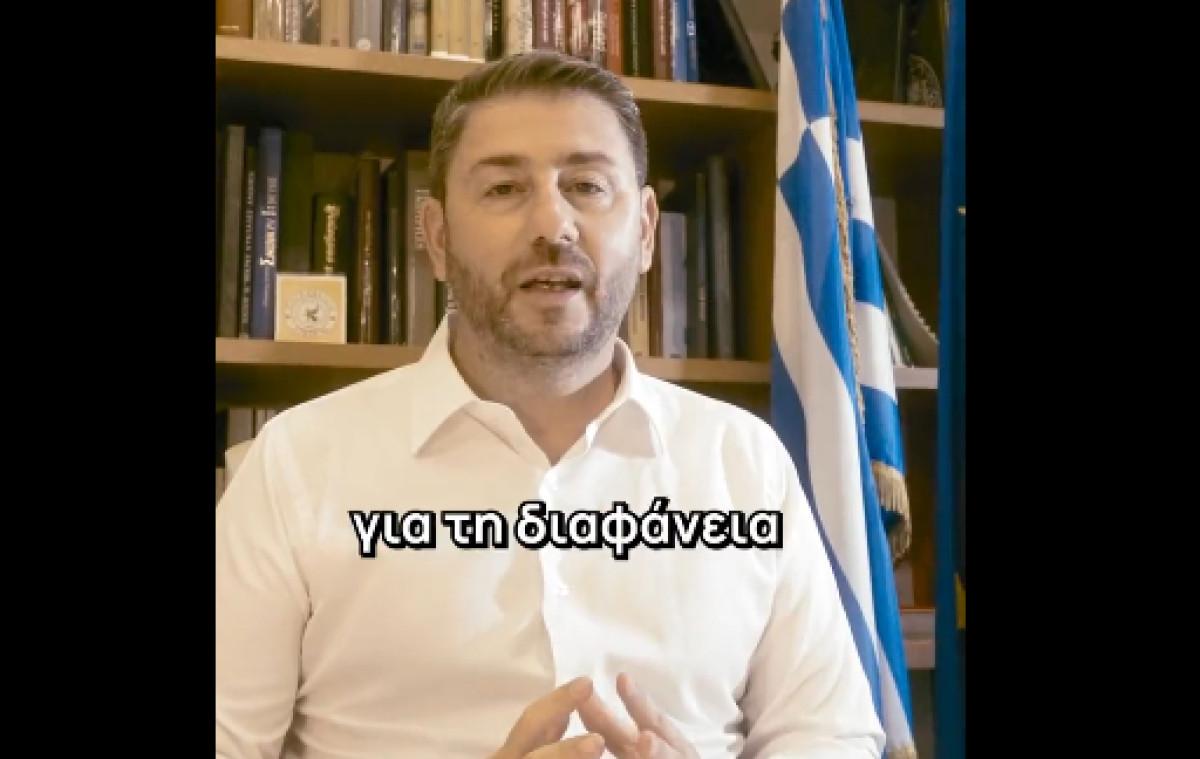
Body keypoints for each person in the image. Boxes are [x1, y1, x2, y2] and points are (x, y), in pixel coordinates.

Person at [216, 50, 884, 758]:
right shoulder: (297, 464)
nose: (553, 224)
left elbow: (829, 734)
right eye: (504, 188)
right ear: (437, 238)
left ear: (646, 231)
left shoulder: (744, 461)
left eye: (587, 185)